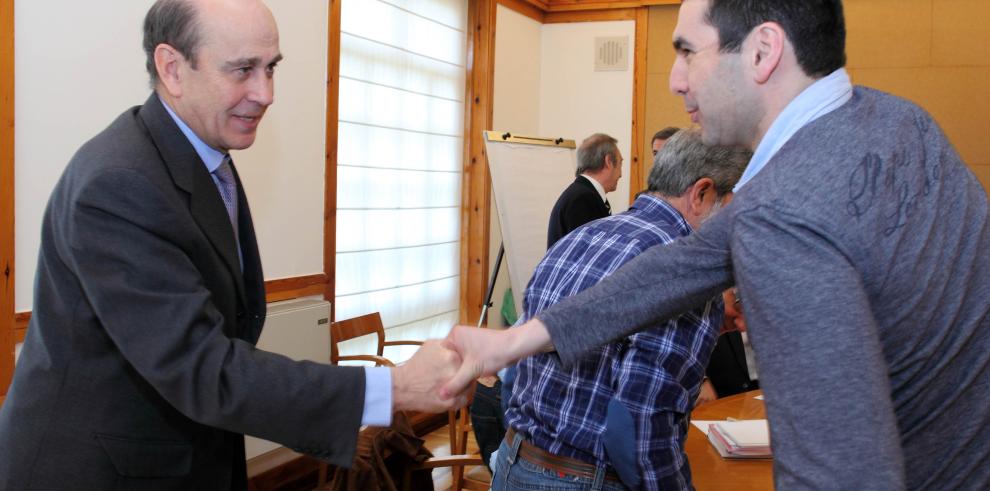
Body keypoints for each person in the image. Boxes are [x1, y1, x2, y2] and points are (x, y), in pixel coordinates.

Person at [442, 0, 990, 488]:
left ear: (762, 52)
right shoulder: (895, 120)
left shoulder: (783, 213)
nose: (676, 79)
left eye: (687, 51)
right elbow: (678, 269)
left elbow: (836, 468)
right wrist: (512, 343)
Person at [0, 1, 462, 488]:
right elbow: (201, 366)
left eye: (271, 68)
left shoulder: (200, 151)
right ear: (173, 68)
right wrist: (394, 387)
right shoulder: (120, 182)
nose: (265, 93)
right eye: (243, 70)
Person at [493, 130, 748, 491]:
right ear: (703, 194)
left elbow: (518, 371)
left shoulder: (579, 238)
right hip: (586, 480)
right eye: (739, 207)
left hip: (514, 462)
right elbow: (641, 426)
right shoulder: (687, 275)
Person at [546, 133, 623, 248]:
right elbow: (586, 254)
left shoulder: (582, 193)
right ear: (608, 161)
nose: (621, 174)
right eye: (620, 163)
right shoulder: (582, 199)